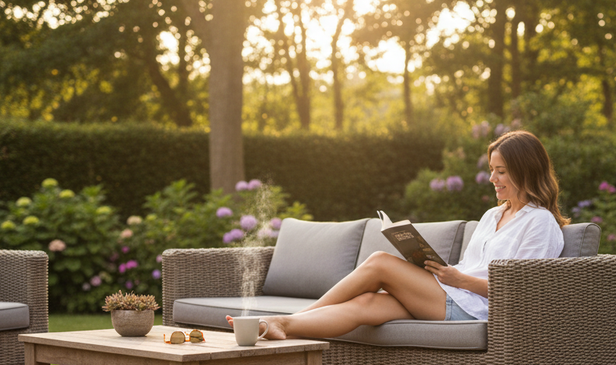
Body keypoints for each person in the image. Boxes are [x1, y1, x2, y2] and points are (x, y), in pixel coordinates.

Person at [226, 129, 569, 340]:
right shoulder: (493, 214)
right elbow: (472, 266)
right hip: (452, 294)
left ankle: (289, 319)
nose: (493, 179)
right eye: (492, 171)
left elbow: (523, 290)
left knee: (379, 263)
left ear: (526, 171)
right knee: (368, 304)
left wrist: (458, 280)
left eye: (502, 172)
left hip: (476, 309)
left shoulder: (539, 224)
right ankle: (284, 329)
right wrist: (432, 268)